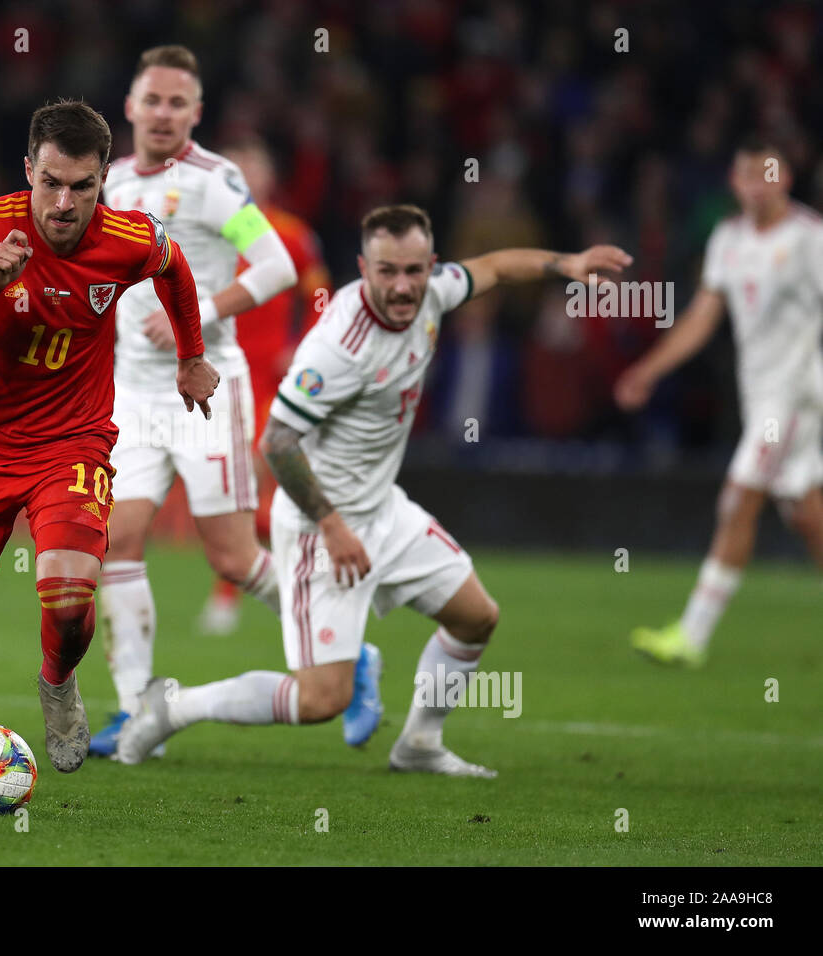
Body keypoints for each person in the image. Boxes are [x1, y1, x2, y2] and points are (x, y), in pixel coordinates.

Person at [118, 204, 630, 776]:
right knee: (321, 700)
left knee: (475, 617)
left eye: (414, 270)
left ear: (431, 265)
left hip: (384, 509)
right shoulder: (339, 345)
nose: (403, 285)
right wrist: (334, 529)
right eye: (388, 272)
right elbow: (278, 442)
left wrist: (568, 262)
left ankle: (418, 745)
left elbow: (496, 266)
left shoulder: (436, 293)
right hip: (321, 527)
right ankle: (175, 706)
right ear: (364, 268)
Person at [0, 99, 218, 798]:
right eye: (50, 182)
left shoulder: (128, 239)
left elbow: (175, 268)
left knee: (71, 590)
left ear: (103, 179)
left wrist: (191, 356)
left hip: (69, 442)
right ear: (28, 171)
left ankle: (58, 683)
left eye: (81, 186)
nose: (64, 202)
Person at [90, 46, 305, 756]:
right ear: (129, 107)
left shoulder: (217, 182)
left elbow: (276, 266)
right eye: (152, 100)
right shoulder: (111, 183)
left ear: (196, 114)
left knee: (234, 558)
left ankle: (341, 650)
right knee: (116, 539)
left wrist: (201, 311)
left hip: (208, 387)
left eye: (177, 103)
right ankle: (133, 709)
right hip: (132, 394)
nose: (162, 113)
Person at [616, 139, 823, 667]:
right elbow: (703, 316)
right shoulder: (728, 239)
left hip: (798, 394)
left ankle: (692, 635)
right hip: (762, 396)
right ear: (734, 182)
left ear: (786, 180)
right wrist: (649, 369)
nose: (756, 183)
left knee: (738, 496)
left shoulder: (808, 239)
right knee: (805, 512)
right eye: (746, 174)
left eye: (766, 174)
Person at [197, 136, 332, 636]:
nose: (245, 179)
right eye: (236, 171)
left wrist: (303, 342)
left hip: (268, 382)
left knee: (248, 484)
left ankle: (228, 598)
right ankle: (313, 544)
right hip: (215, 376)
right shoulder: (210, 233)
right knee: (225, 493)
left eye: (253, 170)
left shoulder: (292, 234)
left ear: (270, 178)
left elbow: (319, 294)